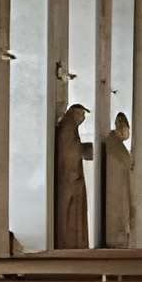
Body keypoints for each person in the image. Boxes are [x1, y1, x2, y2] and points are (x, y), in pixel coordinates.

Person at [52, 101, 92, 249]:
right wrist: (85, 149)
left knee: (74, 213)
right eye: (82, 114)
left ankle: (75, 242)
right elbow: (70, 151)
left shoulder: (70, 127)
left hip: (72, 178)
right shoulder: (68, 127)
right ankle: (71, 243)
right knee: (70, 213)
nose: (83, 118)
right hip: (70, 178)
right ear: (75, 113)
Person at [97, 110, 136, 248]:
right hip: (116, 187)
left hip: (120, 185)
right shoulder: (113, 142)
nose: (127, 134)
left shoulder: (115, 142)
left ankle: (121, 238)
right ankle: (117, 240)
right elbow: (128, 161)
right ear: (121, 127)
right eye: (126, 130)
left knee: (123, 213)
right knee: (119, 213)